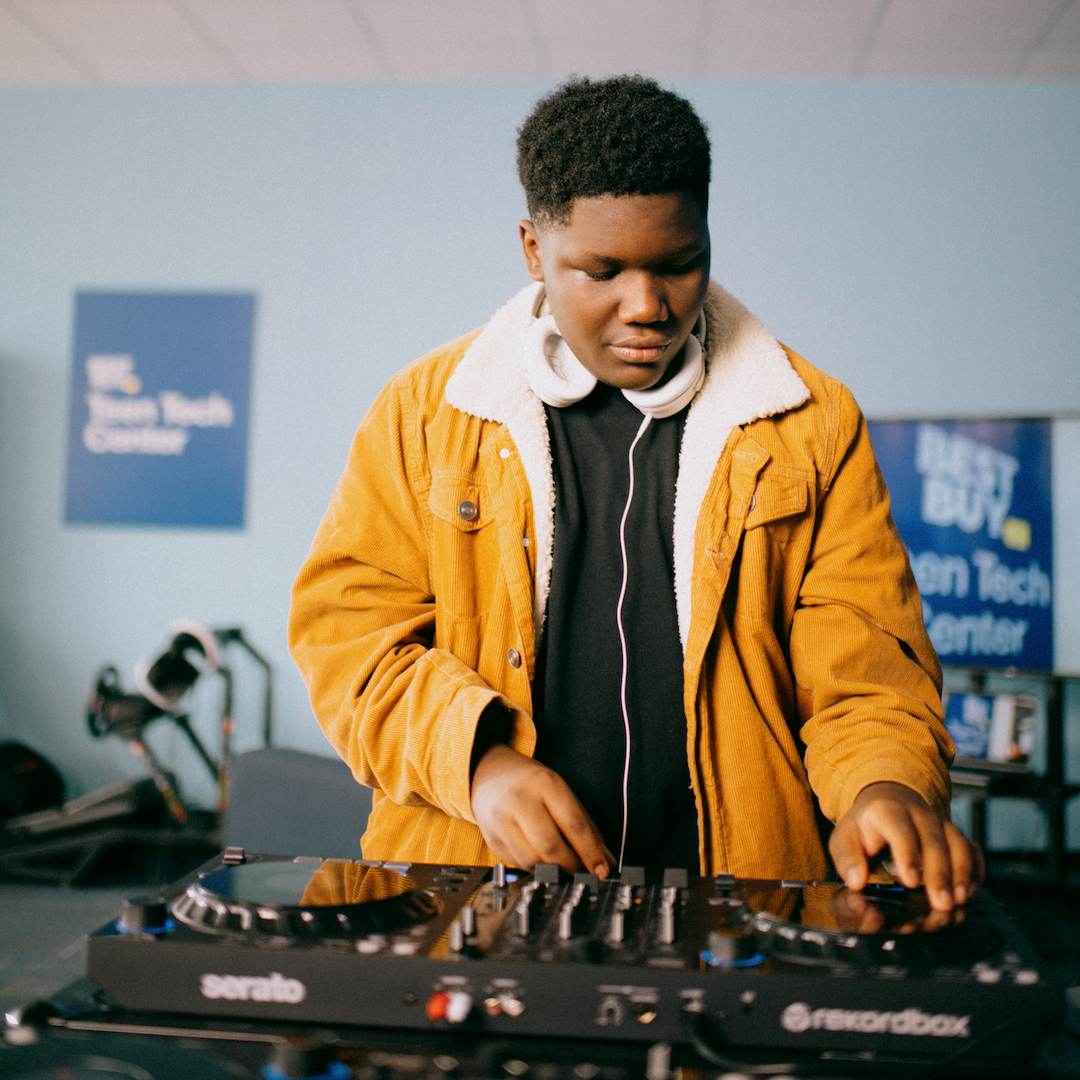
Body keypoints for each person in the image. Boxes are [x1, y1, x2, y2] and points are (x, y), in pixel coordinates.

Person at [289, 75, 983, 913]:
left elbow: (868, 676)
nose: (647, 306)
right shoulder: (423, 414)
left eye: (678, 264)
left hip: (740, 909)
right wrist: (480, 765)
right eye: (602, 270)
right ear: (533, 251)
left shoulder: (813, 423)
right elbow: (350, 642)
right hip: (469, 895)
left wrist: (886, 788)